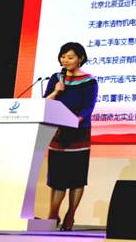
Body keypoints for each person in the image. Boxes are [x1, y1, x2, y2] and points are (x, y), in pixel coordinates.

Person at [42, 42, 98, 231]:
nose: (65, 60)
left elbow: (89, 107)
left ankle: (70, 215)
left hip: (78, 132)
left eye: (70, 57)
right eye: (63, 56)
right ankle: (52, 214)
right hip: (57, 132)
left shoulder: (89, 81)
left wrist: (76, 120)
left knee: (76, 178)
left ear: (80, 58)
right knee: (57, 178)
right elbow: (45, 103)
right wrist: (56, 91)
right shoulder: (56, 78)